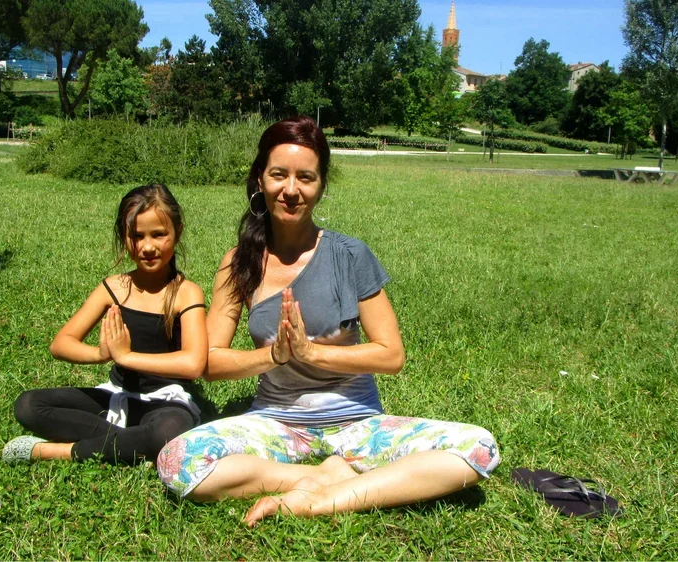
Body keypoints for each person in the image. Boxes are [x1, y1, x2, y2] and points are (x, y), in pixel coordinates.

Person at [156, 116, 500, 526]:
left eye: (306, 177)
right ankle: (320, 475)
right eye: (278, 175)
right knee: (177, 461)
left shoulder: (350, 255)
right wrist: (274, 356)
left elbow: (391, 355)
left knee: (479, 448)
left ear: (321, 186)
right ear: (259, 180)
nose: (291, 190)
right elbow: (209, 362)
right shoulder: (240, 261)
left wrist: (310, 352)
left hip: (356, 422)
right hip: (276, 422)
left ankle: (321, 500)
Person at [3, 184, 207, 465]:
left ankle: (58, 451)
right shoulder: (114, 288)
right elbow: (61, 344)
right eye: (137, 236)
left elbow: (194, 363)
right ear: (124, 237)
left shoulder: (186, 292)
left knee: (169, 431)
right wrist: (101, 354)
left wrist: (127, 357)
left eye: (159, 235)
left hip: (166, 403)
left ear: (177, 232)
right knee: (28, 405)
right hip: (116, 395)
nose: (148, 247)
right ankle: (129, 443)